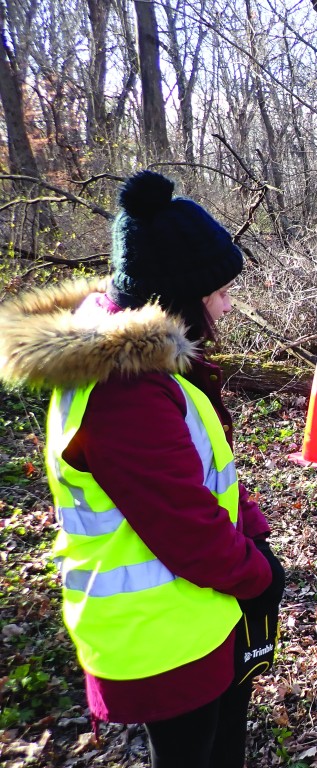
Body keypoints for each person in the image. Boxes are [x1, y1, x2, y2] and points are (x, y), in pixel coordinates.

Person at [0, 170, 285, 768]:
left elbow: (205, 470)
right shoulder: (124, 391)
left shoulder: (148, 367)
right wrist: (257, 575)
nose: (227, 305)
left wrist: (252, 527)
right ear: (178, 297)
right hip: (161, 635)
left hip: (197, 615)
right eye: (217, 292)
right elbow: (183, 524)